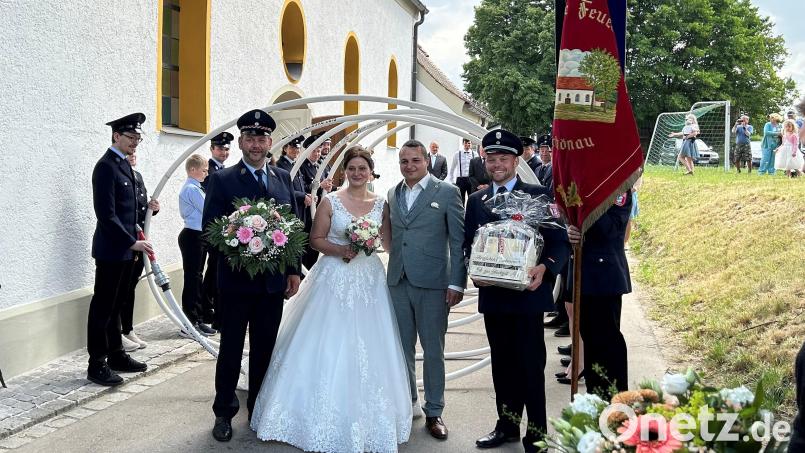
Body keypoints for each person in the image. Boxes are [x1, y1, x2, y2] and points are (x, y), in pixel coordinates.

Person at [251, 146, 412, 451]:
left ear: (370, 171)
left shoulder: (382, 204)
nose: (357, 173)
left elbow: (388, 242)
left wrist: (388, 249)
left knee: (372, 344)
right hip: (333, 277)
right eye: (351, 168)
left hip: (369, 280)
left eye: (362, 168)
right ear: (344, 172)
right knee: (324, 339)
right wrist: (342, 250)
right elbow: (316, 240)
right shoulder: (331, 201)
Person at [465, 129, 570, 453]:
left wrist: (546, 268)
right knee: (502, 366)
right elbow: (468, 244)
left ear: (515, 160)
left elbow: (559, 242)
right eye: (491, 159)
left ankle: (536, 434)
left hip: (527, 297)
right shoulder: (477, 201)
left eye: (503, 159)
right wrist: (475, 271)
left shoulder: (539, 196)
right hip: (494, 297)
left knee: (530, 366)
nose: (496, 165)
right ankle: (507, 426)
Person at [201, 109, 302, 442]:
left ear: (270, 142)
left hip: (272, 284)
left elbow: (294, 228)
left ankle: (258, 408)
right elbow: (209, 232)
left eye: (261, 138)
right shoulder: (222, 179)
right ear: (242, 141)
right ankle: (223, 411)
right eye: (250, 138)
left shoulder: (283, 178)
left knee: (264, 348)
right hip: (234, 283)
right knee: (230, 348)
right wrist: (241, 248)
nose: (256, 144)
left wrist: (292, 271)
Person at [387, 139, 466, 440]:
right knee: (402, 348)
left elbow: (458, 241)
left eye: (415, 160)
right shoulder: (394, 193)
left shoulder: (447, 193)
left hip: (433, 283)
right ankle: (409, 403)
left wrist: (456, 282)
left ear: (427, 162)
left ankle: (435, 411)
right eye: (404, 161)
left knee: (433, 349)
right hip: (397, 280)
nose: (409, 166)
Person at [86, 112, 152, 386]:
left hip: (128, 250)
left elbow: (130, 208)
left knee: (117, 305)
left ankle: (116, 354)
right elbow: (106, 214)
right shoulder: (106, 167)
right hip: (112, 250)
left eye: (138, 138)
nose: (135, 142)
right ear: (117, 136)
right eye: (131, 137)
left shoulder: (124, 166)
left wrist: (150, 211)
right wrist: (130, 242)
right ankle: (96, 363)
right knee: (103, 306)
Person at [566, 192, 633, 397]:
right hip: (582, 272)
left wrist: (584, 213)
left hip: (605, 275)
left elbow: (612, 229)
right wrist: (570, 231)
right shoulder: (585, 186)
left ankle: (616, 400)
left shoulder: (616, 188)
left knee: (608, 342)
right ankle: (596, 399)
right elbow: (566, 220)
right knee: (591, 341)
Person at [119, 153, 160, 352]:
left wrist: (153, 209)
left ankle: (127, 329)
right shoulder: (117, 176)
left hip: (140, 241)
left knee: (130, 288)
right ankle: (117, 332)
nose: (133, 155)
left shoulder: (137, 176)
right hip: (127, 242)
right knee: (120, 290)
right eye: (129, 152)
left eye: (135, 152)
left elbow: (139, 209)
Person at [178, 154, 216, 337]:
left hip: (198, 235)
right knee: (193, 279)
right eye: (204, 170)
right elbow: (207, 208)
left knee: (197, 277)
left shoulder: (196, 187)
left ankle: (197, 318)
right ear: (192, 170)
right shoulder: (191, 189)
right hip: (192, 236)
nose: (206, 174)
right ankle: (190, 322)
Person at [201, 131, 234, 329]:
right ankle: (207, 311)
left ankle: (213, 311)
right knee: (212, 274)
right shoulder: (209, 170)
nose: (224, 152)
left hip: (226, 231)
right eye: (220, 148)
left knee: (215, 274)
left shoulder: (223, 169)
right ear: (212, 149)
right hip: (216, 231)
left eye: (227, 149)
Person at [299, 134, 335, 269]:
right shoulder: (302, 166)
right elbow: (302, 187)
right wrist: (320, 185)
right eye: (314, 151)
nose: (317, 154)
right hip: (307, 212)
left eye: (319, 151)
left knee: (315, 248)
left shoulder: (319, 166)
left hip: (319, 211)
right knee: (307, 247)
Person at [448, 137, 477, 203]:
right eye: (466, 143)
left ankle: (470, 213)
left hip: (471, 179)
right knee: (460, 200)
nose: (467, 145)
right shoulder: (457, 154)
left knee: (472, 198)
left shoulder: (475, 154)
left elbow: (477, 168)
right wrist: (452, 181)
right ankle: (461, 213)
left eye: (469, 143)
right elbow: (452, 168)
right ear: (463, 144)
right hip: (460, 180)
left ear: (471, 144)